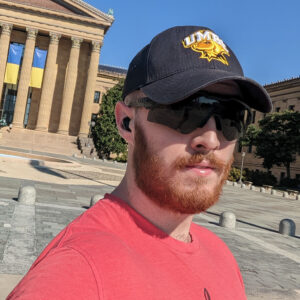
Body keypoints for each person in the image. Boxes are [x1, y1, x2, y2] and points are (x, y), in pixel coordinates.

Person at [8, 26, 272, 299]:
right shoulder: (75, 274)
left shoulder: (222, 257)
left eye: (231, 117)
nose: (210, 138)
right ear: (126, 122)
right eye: (185, 110)